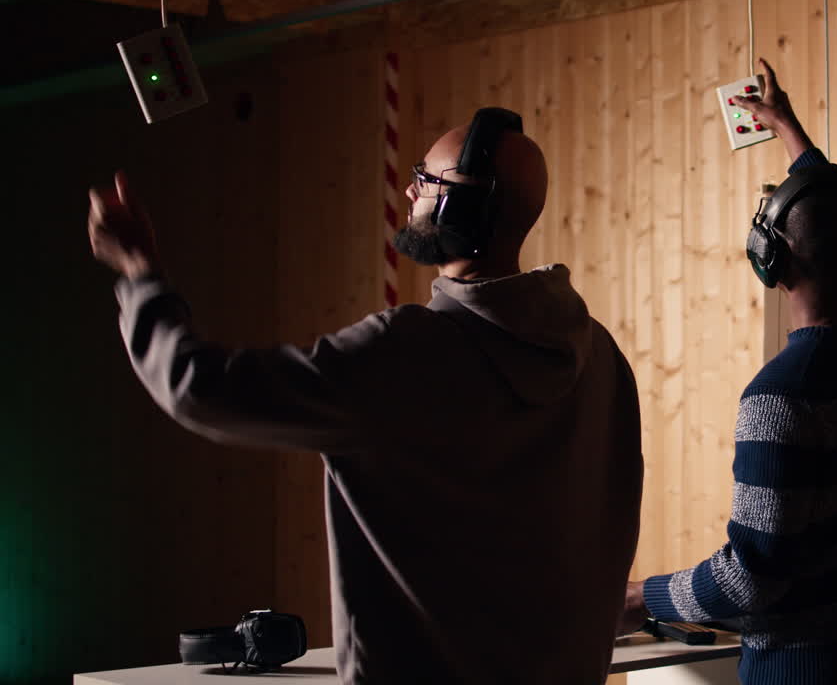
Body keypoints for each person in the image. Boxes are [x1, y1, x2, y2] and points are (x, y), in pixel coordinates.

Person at [87, 109, 644, 684]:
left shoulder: (407, 352)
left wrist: (139, 273)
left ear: (461, 205)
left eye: (425, 180)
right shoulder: (600, 355)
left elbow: (197, 386)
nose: (408, 188)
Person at [615, 59, 837, 684]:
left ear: (769, 261)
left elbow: (748, 578)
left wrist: (639, 597)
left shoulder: (780, 397)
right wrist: (788, 129)